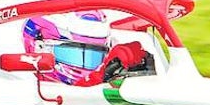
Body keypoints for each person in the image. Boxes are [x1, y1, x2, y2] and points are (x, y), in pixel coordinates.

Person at [22, 10, 151, 86]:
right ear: (40, 49)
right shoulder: (20, 91)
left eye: (95, 57)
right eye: (73, 55)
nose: (86, 68)